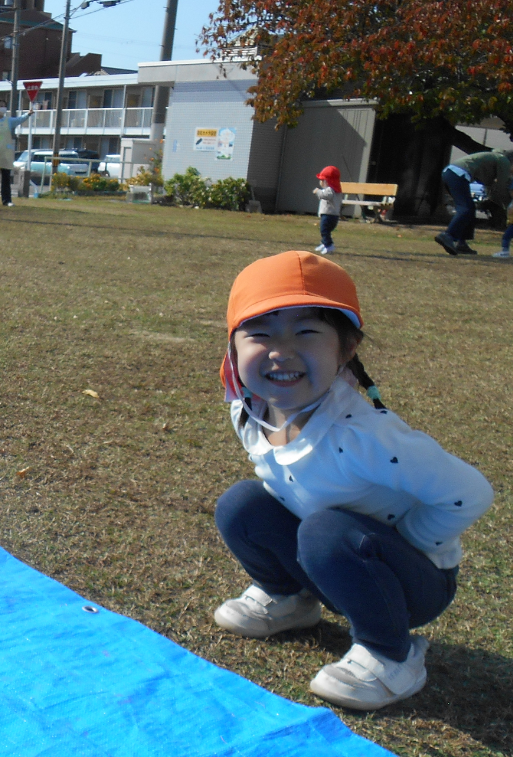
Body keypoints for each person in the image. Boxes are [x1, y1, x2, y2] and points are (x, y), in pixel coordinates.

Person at [212, 252, 492, 711]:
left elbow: (471, 493)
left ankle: (391, 654)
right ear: (232, 348)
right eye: (260, 334)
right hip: (331, 557)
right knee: (241, 505)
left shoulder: (365, 436)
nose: (281, 350)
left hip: (408, 583)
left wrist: (407, 541)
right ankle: (290, 599)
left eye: (306, 332)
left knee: (324, 530)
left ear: (347, 349)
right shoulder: (248, 411)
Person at [435, 149, 512, 256]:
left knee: (469, 209)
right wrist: (509, 204)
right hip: (459, 174)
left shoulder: (491, 159)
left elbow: (489, 184)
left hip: (450, 173)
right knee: (466, 208)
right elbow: (501, 186)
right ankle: (448, 235)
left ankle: (462, 244)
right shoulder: (504, 160)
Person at [312, 166, 342, 254]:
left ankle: (329, 245)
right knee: (326, 230)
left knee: (324, 230)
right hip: (333, 215)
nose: (320, 182)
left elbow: (325, 196)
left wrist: (318, 191)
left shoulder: (330, 190)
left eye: (322, 180)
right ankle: (324, 243)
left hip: (329, 214)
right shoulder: (335, 190)